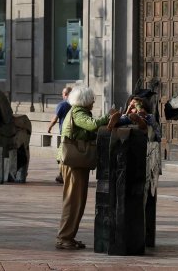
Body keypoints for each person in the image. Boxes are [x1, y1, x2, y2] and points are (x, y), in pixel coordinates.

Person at [55, 86, 114, 250]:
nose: (94, 102)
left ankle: (69, 237)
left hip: (77, 163)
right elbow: (92, 125)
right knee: (73, 202)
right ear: (85, 100)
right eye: (92, 99)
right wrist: (108, 116)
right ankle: (64, 237)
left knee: (77, 202)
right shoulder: (78, 112)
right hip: (73, 163)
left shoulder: (79, 111)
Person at [47, 87, 72, 184]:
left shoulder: (62, 104)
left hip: (64, 134)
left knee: (62, 155)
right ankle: (65, 174)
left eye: (63, 93)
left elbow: (55, 119)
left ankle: (62, 175)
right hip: (74, 134)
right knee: (70, 154)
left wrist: (49, 127)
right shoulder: (75, 105)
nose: (62, 95)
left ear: (65, 94)